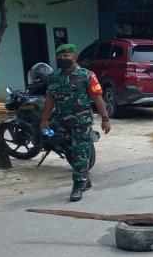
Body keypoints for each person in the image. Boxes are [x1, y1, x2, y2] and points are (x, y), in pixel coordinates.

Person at [39, 44, 112, 202]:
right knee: (67, 150)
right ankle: (84, 178)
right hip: (61, 121)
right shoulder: (53, 77)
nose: (63, 59)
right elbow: (50, 99)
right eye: (60, 56)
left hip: (81, 121)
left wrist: (105, 119)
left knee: (80, 151)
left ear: (75, 57)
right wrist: (44, 120)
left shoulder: (87, 75)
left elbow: (97, 97)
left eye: (66, 56)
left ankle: (78, 185)